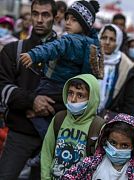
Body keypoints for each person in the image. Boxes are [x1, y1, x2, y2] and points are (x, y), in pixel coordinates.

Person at [19, 0, 100, 139]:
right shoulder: (91, 43)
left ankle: (48, 140)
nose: (68, 22)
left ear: (84, 24)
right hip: (68, 88)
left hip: (52, 84)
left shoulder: (70, 40)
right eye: (67, 18)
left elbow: (53, 47)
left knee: (33, 107)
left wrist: (33, 54)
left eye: (74, 20)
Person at [0, 0, 58, 179]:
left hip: (51, 138)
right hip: (19, 134)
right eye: (35, 14)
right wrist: (31, 101)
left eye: (46, 15)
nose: (39, 19)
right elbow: (2, 87)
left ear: (55, 18)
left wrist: (47, 110)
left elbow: (73, 93)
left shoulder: (65, 54)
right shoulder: (13, 50)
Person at [41, 74, 103, 179]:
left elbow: (99, 165)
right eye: (70, 93)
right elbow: (47, 152)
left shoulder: (98, 126)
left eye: (80, 95)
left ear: (92, 99)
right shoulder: (59, 118)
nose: (73, 99)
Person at [62, 113, 134, 180]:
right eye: (113, 143)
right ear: (105, 141)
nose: (117, 149)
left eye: (124, 145)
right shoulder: (91, 164)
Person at [97, 24, 134, 116]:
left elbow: (128, 101)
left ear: (118, 42)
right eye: (104, 37)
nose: (107, 42)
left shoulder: (126, 66)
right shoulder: (92, 57)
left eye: (112, 39)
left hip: (110, 116)